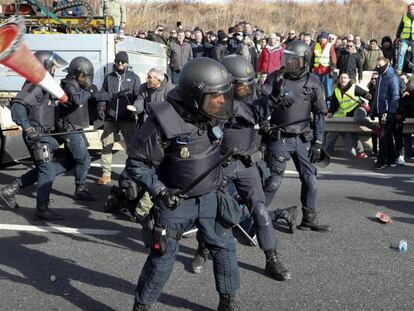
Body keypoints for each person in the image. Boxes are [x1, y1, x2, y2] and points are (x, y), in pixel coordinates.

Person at [127, 58, 240, 311]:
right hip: (174, 202)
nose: (222, 101)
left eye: (223, 95)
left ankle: (228, 301)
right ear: (194, 96)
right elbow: (136, 165)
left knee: (225, 249)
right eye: (215, 97)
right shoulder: (163, 120)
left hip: (211, 197)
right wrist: (159, 190)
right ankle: (142, 305)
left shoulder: (211, 111)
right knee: (163, 258)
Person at [191, 55, 294, 281]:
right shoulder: (213, 101)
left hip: (247, 165)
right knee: (210, 213)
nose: (247, 88)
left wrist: (275, 96)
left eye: (249, 83)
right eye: (242, 84)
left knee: (260, 211)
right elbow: (244, 112)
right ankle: (203, 250)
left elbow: (258, 109)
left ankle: (272, 258)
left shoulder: (252, 97)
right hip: (220, 166)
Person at [261, 40, 331, 232]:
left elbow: (319, 115)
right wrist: (276, 93)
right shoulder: (276, 78)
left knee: (311, 181)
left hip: (302, 139)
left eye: (294, 59)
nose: (289, 62)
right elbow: (263, 101)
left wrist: (318, 142)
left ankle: (309, 218)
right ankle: (256, 220)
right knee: (272, 182)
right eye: (288, 58)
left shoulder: (314, 82)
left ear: (305, 61)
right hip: (279, 138)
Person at [0, 51, 69, 219]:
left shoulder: (46, 85)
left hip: (44, 134)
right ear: (45, 66)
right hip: (36, 135)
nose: (54, 70)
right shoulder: (35, 85)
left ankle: (10, 190)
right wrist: (27, 128)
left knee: (51, 166)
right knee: (46, 168)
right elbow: (17, 106)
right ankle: (42, 209)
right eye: (52, 67)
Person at [96, 51, 141, 185]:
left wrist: (135, 109)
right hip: (111, 118)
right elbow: (103, 93)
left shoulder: (134, 78)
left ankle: (132, 173)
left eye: (122, 62)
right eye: (117, 61)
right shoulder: (109, 77)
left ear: (127, 63)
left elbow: (139, 96)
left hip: (127, 118)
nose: (120, 64)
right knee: (106, 145)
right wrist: (101, 107)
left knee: (132, 148)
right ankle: (106, 174)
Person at [57, 56, 98, 200]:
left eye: (87, 77)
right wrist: (90, 91)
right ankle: (80, 190)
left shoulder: (77, 84)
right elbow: (77, 99)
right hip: (69, 128)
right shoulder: (69, 84)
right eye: (83, 76)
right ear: (75, 73)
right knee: (84, 159)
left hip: (75, 127)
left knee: (67, 162)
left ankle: (43, 175)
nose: (86, 79)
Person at [325, 73, 371, 159]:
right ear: (339, 80)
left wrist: (368, 95)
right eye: (341, 78)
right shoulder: (337, 90)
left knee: (352, 134)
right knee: (333, 136)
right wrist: (330, 112)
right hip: (343, 116)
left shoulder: (354, 87)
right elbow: (333, 104)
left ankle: (359, 152)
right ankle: (327, 154)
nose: (343, 79)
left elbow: (365, 94)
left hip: (355, 112)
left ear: (349, 79)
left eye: (345, 78)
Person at [371, 57, 400, 169]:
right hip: (380, 110)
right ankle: (391, 159)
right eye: (377, 65)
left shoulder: (392, 77)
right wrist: (374, 110)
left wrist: (391, 112)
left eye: (380, 65)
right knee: (386, 136)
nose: (378, 67)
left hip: (387, 112)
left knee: (383, 136)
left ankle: (381, 161)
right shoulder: (380, 77)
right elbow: (377, 96)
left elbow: (395, 96)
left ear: (386, 64)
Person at [311, 31, 337, 108]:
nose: (323, 39)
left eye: (324, 38)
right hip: (317, 71)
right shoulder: (316, 46)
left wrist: (332, 69)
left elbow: (333, 59)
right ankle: (316, 106)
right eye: (321, 38)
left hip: (326, 71)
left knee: (327, 90)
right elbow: (312, 58)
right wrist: (310, 67)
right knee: (316, 89)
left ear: (326, 39)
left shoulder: (330, 46)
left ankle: (328, 107)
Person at [396, 3, 414, 74]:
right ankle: (399, 68)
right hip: (405, 38)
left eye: (413, 9)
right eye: (410, 9)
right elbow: (400, 27)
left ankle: (413, 68)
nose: (411, 10)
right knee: (401, 52)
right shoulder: (405, 16)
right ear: (408, 9)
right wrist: (397, 37)